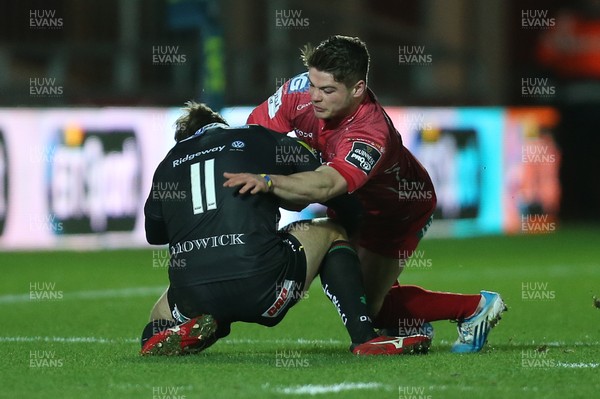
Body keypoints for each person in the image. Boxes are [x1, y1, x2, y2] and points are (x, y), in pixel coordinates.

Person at [223, 35, 507, 353]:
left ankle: (474, 308)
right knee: (343, 274)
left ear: (357, 89)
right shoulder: (299, 90)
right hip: (350, 204)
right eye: (313, 84)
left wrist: (270, 181)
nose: (314, 96)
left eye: (327, 90)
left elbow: (326, 185)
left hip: (395, 211)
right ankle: (406, 322)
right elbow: (254, 135)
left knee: (368, 305)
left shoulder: (369, 133)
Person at [139, 101, 431, 356]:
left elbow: (155, 235)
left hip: (193, 294)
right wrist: (352, 229)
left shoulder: (167, 164)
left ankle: (177, 330)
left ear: (184, 140)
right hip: (264, 287)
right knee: (330, 231)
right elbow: (330, 189)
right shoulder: (256, 137)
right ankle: (365, 337)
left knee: (158, 317)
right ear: (221, 125)